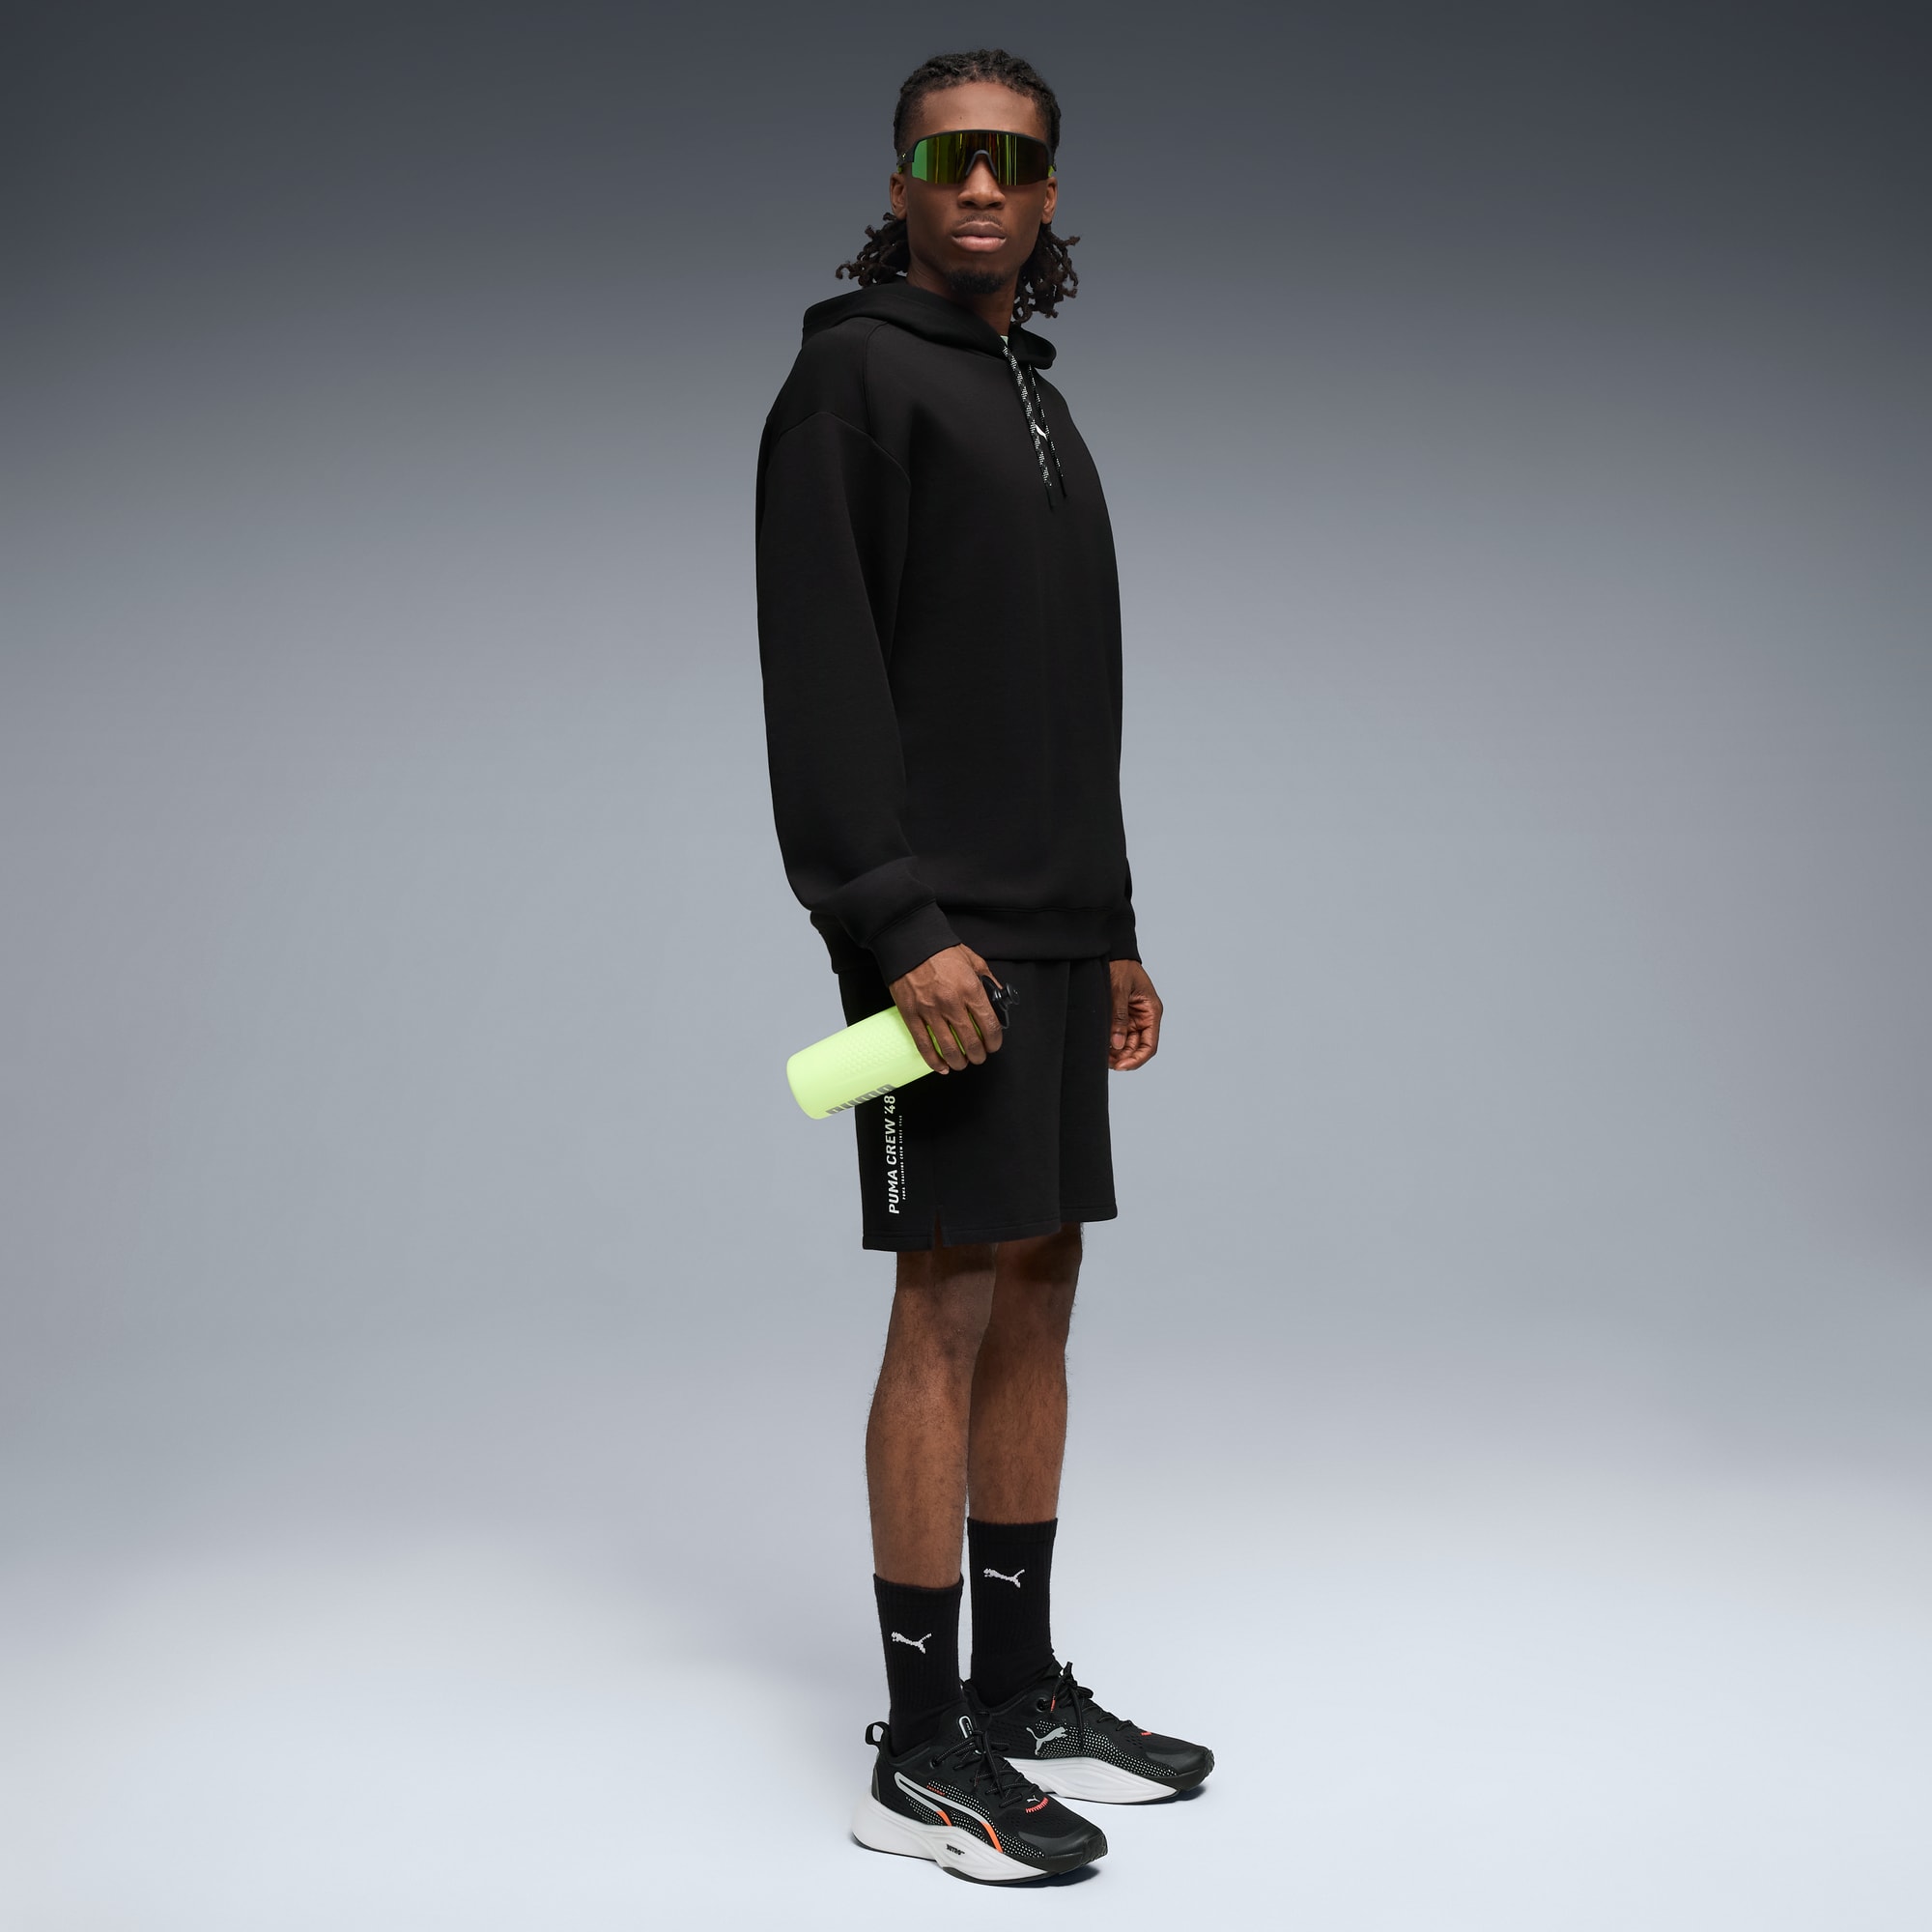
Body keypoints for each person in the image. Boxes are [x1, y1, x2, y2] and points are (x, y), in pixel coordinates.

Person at [754, 47, 1212, 1885]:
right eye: (947, 154)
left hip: (1052, 924)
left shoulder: (1033, 395)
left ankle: (1018, 1693)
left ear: (1047, 196)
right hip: (934, 937)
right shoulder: (850, 382)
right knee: (942, 1296)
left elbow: (1068, 699)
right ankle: (920, 1749)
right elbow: (823, 676)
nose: (977, 184)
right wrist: (892, 922)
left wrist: (1113, 921)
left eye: (1011, 161)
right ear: (897, 180)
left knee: (1043, 1282)